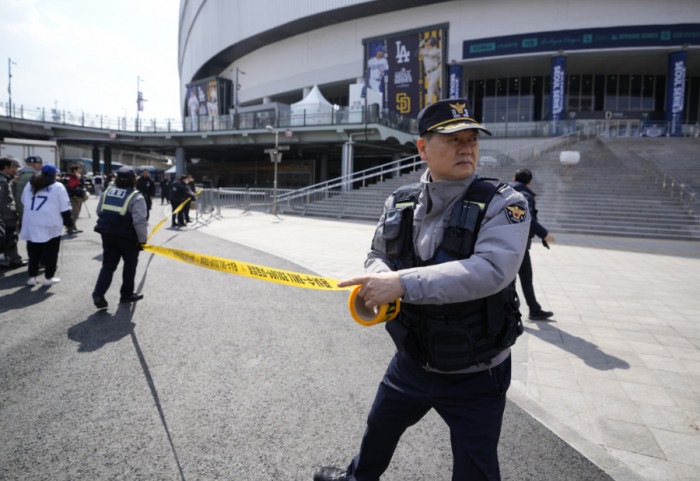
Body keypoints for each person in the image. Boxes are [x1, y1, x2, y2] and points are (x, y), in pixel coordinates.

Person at [314, 98, 530, 481]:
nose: (467, 147)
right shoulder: (400, 200)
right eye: (453, 139)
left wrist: (399, 284)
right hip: (412, 360)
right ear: (422, 148)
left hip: (477, 371)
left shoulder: (504, 202)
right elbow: (377, 253)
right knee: (376, 434)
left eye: (472, 139)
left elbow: (491, 270)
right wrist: (376, 280)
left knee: (475, 470)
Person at [91, 166, 148, 310]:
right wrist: (142, 241)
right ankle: (126, 294)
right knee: (129, 265)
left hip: (107, 234)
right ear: (133, 180)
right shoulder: (136, 196)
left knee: (108, 265)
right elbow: (139, 221)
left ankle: (98, 294)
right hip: (128, 237)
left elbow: (99, 211)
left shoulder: (107, 192)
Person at [509, 168, 555, 321]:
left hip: (502, 241)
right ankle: (531, 309)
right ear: (529, 182)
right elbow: (528, 219)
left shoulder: (504, 190)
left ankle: (533, 308)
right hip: (518, 244)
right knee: (524, 278)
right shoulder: (524, 194)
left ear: (514, 179)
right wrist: (545, 234)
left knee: (509, 277)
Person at [20, 164, 73, 286]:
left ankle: (31, 278)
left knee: (34, 253)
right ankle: (48, 278)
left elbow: (23, 201)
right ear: (54, 174)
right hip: (50, 223)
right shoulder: (58, 186)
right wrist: (69, 223)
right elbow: (64, 209)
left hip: (31, 222)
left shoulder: (30, 184)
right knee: (51, 252)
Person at [0, 157, 26, 268]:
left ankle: (9, 258)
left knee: (7, 238)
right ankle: (15, 260)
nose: (15, 169)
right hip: (6, 215)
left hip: (6, 214)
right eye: (13, 167)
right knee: (11, 238)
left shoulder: (6, 179)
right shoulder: (2, 181)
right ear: (6, 167)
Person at [15, 155, 43, 227]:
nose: (41, 165)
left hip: (21, 209)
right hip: (27, 211)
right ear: (34, 164)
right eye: (40, 163)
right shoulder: (32, 177)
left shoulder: (22, 173)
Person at [419, 35, 442, 105]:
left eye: (429, 40)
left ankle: (428, 105)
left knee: (430, 87)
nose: (428, 41)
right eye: (428, 40)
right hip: (428, 73)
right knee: (435, 90)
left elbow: (441, 58)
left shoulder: (437, 50)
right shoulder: (424, 50)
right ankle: (443, 98)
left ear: (432, 42)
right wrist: (421, 44)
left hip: (435, 70)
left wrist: (438, 62)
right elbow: (419, 52)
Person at [65, 164, 87, 234]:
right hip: (73, 197)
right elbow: (71, 186)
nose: (80, 170)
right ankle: (70, 228)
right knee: (75, 212)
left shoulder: (78, 177)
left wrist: (80, 178)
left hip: (78, 196)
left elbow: (82, 185)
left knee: (77, 211)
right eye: (79, 169)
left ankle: (74, 227)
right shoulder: (70, 177)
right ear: (75, 170)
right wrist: (79, 179)